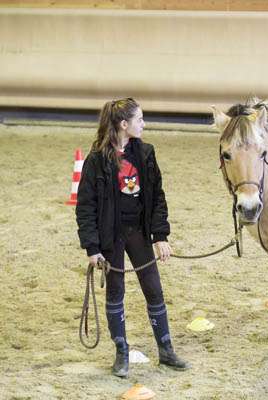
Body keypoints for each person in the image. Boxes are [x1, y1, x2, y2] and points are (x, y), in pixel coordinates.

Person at [76, 98, 189, 378]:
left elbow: (157, 197)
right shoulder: (96, 161)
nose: (144, 124)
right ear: (124, 125)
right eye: (140, 120)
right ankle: (121, 352)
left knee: (154, 288)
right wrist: (92, 247)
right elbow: (85, 207)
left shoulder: (146, 154)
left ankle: (166, 348)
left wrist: (160, 236)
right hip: (110, 237)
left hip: (138, 232)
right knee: (116, 292)